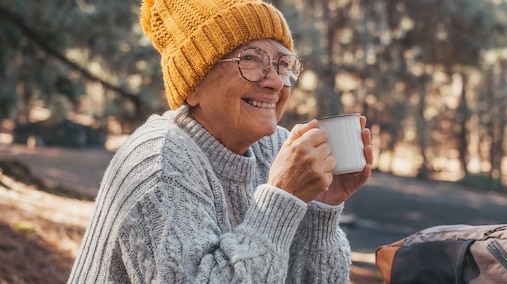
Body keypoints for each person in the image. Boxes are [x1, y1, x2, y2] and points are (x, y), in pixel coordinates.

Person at [68, 0, 373, 282]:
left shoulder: (274, 147)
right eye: (251, 60)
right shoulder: (160, 161)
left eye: (283, 64)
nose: (276, 81)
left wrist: (322, 208)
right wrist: (280, 199)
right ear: (193, 86)